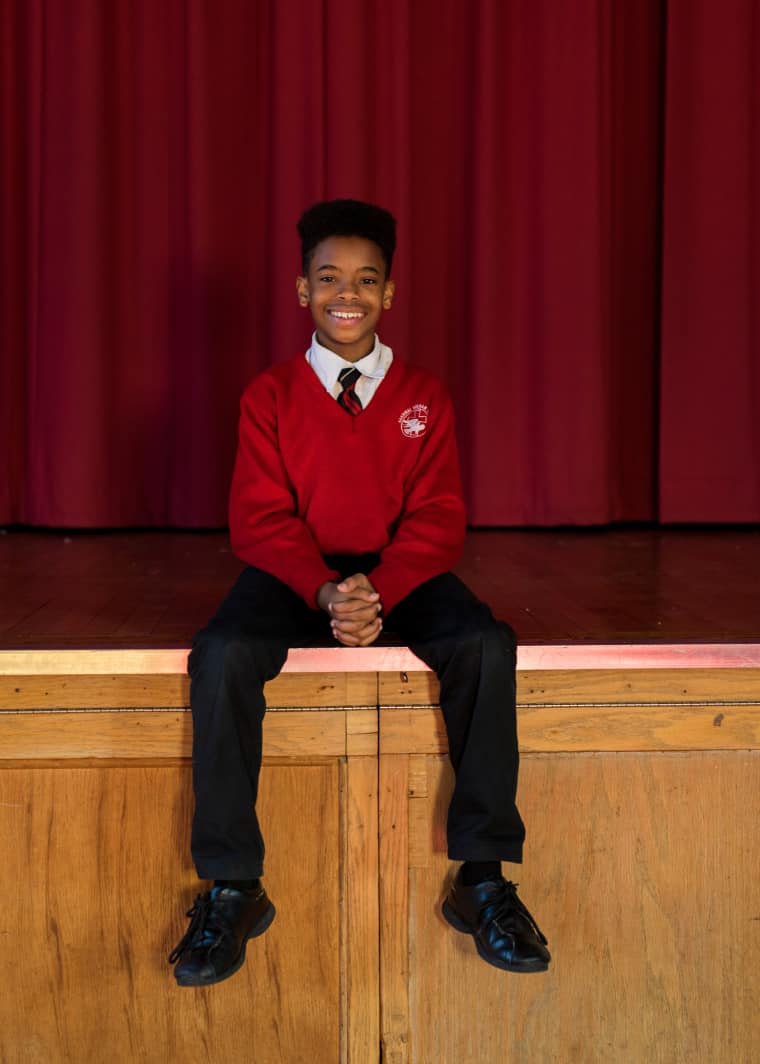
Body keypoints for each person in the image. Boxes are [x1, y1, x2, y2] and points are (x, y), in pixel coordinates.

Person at [169, 199, 550, 986]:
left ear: (390, 293)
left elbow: (441, 516)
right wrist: (323, 589)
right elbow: (259, 518)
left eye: (367, 280)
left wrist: (378, 588)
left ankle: (483, 879)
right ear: (303, 291)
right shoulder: (270, 396)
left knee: (485, 645)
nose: (349, 294)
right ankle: (234, 883)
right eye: (330, 278)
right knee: (223, 654)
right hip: (295, 572)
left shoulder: (423, 395)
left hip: (396, 572)